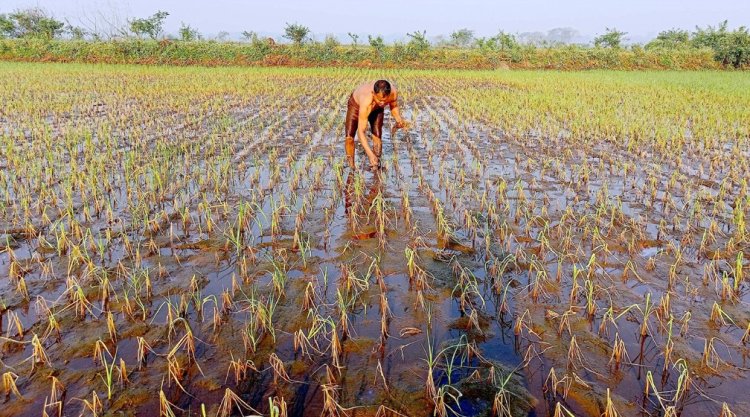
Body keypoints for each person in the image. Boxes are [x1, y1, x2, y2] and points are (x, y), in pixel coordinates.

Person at [344, 79, 408, 169]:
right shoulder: (366, 100)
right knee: (349, 137)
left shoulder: (392, 93)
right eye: (380, 100)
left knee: (377, 135)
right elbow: (361, 132)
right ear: (373, 94)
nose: (382, 103)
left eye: (384, 101)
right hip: (356, 106)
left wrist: (399, 120)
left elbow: (394, 106)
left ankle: (376, 163)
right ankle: (352, 167)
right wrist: (369, 154)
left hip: (376, 108)